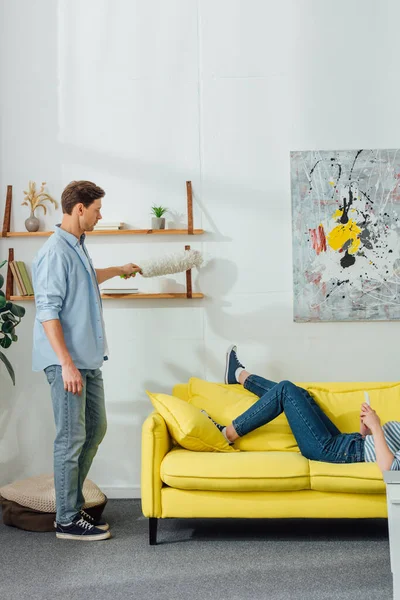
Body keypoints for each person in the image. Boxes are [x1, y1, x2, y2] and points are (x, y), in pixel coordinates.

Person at [32, 180, 141, 541]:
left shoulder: (77, 246)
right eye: (97, 210)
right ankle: (66, 519)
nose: (99, 215)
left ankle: (73, 507)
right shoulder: (55, 252)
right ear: (80, 209)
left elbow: (87, 279)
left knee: (96, 429)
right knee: (71, 437)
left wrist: (118, 269)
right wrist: (65, 363)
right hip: (67, 362)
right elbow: (47, 311)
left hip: (86, 360)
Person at [206, 345, 400, 474]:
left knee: (286, 389)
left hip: (332, 451)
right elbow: (375, 451)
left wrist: (376, 427)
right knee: (302, 394)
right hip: (346, 442)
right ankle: (238, 376)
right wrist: (365, 431)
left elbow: (390, 467)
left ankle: (227, 434)